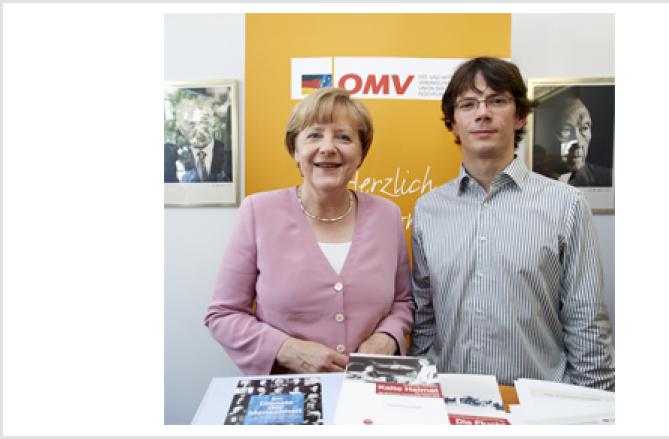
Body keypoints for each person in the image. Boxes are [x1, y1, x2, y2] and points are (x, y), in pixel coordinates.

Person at [408, 57, 615, 390]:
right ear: (453, 122)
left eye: (497, 100)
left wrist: (597, 408)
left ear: (519, 116)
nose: (482, 113)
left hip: (538, 405)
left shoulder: (566, 205)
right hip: (447, 401)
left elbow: (586, 320)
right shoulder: (428, 210)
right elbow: (424, 320)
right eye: (468, 104)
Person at [204, 87, 414, 375]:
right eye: (314, 135)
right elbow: (223, 315)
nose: (328, 148)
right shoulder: (258, 212)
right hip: (286, 398)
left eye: (344, 137)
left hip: (368, 392)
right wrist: (287, 350)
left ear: (361, 152)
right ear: (295, 149)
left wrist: (387, 336)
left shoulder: (387, 216)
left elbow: (403, 301)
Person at [164, 92, 232, 183]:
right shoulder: (177, 157)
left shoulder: (228, 153)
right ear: (180, 128)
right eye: (188, 122)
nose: (196, 126)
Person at [554, 95, 611, 187]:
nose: (579, 143)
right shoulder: (538, 177)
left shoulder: (608, 178)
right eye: (566, 129)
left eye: (584, 128)